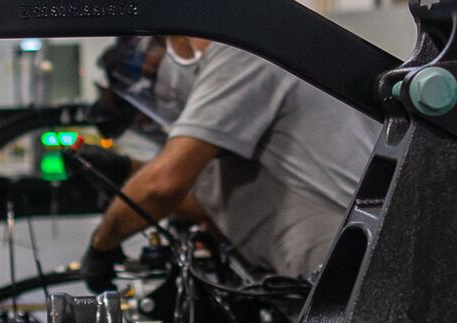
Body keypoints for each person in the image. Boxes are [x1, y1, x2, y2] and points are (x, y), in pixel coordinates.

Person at [80, 35, 377, 288]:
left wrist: (101, 245)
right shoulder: (225, 127)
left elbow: (163, 186)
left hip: (363, 266)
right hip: (322, 279)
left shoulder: (240, 56)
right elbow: (205, 200)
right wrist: (125, 171)